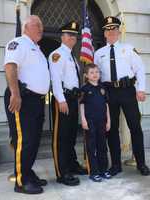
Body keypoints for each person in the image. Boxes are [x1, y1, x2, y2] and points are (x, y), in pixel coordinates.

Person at [94, 16, 150, 176]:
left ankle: (141, 164)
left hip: (127, 91)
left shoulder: (128, 48)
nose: (111, 32)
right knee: (111, 129)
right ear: (104, 33)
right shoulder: (99, 54)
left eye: (114, 29)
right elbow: (95, 75)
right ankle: (116, 165)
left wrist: (141, 89)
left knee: (135, 127)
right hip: (109, 93)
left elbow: (139, 69)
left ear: (119, 32)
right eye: (108, 30)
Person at [4, 15, 50, 194]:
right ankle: (21, 181)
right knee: (24, 141)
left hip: (36, 101)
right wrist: (15, 93)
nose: (41, 28)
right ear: (26, 27)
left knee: (33, 141)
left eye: (41, 25)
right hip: (22, 98)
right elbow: (10, 66)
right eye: (37, 25)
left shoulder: (36, 48)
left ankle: (28, 173)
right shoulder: (18, 43)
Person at [49, 21, 87, 186]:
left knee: (71, 135)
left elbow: (72, 80)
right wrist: (61, 100)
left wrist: (77, 95)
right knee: (61, 137)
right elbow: (56, 80)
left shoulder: (72, 56)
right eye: (69, 35)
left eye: (74, 36)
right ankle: (62, 172)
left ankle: (72, 165)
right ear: (62, 36)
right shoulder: (56, 55)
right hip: (62, 100)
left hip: (72, 99)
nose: (72, 38)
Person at [80, 63, 111, 182]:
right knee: (91, 147)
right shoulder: (85, 89)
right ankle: (94, 172)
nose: (95, 74)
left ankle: (104, 170)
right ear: (86, 75)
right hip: (90, 121)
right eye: (92, 73)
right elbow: (82, 105)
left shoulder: (103, 88)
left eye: (97, 72)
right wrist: (83, 119)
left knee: (102, 146)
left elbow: (106, 105)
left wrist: (108, 120)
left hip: (102, 121)